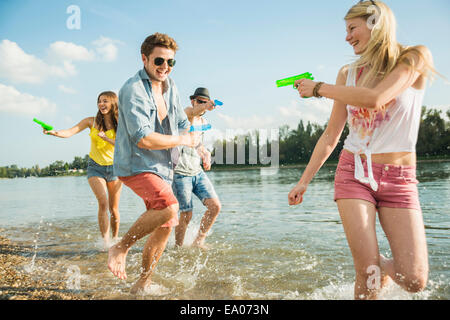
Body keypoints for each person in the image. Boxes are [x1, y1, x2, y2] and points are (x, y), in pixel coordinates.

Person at [288, 0, 436, 299]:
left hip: (400, 178)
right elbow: (332, 134)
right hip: (353, 173)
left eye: (352, 28)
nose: (347, 37)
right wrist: (304, 180)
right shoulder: (348, 73)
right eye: (346, 30)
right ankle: (370, 264)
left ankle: (376, 262)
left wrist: (318, 88)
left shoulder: (414, 57)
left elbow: (376, 97)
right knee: (367, 274)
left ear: (375, 24)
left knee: (414, 279)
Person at [107, 32, 200, 294]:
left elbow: (182, 124)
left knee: (165, 223)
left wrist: (197, 143)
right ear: (145, 58)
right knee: (170, 207)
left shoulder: (172, 87)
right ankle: (120, 247)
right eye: (159, 61)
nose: (165, 68)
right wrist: (180, 139)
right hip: (135, 164)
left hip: (163, 167)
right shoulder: (132, 90)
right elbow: (143, 139)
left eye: (171, 62)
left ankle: (142, 284)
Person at [44, 91, 122, 249]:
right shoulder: (90, 122)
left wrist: (106, 138)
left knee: (114, 208)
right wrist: (55, 133)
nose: (101, 104)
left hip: (115, 168)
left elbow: (123, 144)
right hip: (95, 168)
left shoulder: (120, 123)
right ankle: (105, 242)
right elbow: (70, 132)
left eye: (105, 101)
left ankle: (115, 238)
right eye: (99, 101)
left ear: (113, 103)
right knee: (103, 203)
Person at [172, 87, 221, 249]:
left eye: (204, 102)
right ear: (193, 101)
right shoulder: (185, 113)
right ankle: (178, 249)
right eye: (199, 101)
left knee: (215, 207)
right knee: (186, 213)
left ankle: (198, 241)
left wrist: (205, 154)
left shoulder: (204, 123)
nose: (202, 105)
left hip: (197, 172)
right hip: (180, 173)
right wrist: (205, 106)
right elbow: (192, 114)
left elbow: (196, 142)